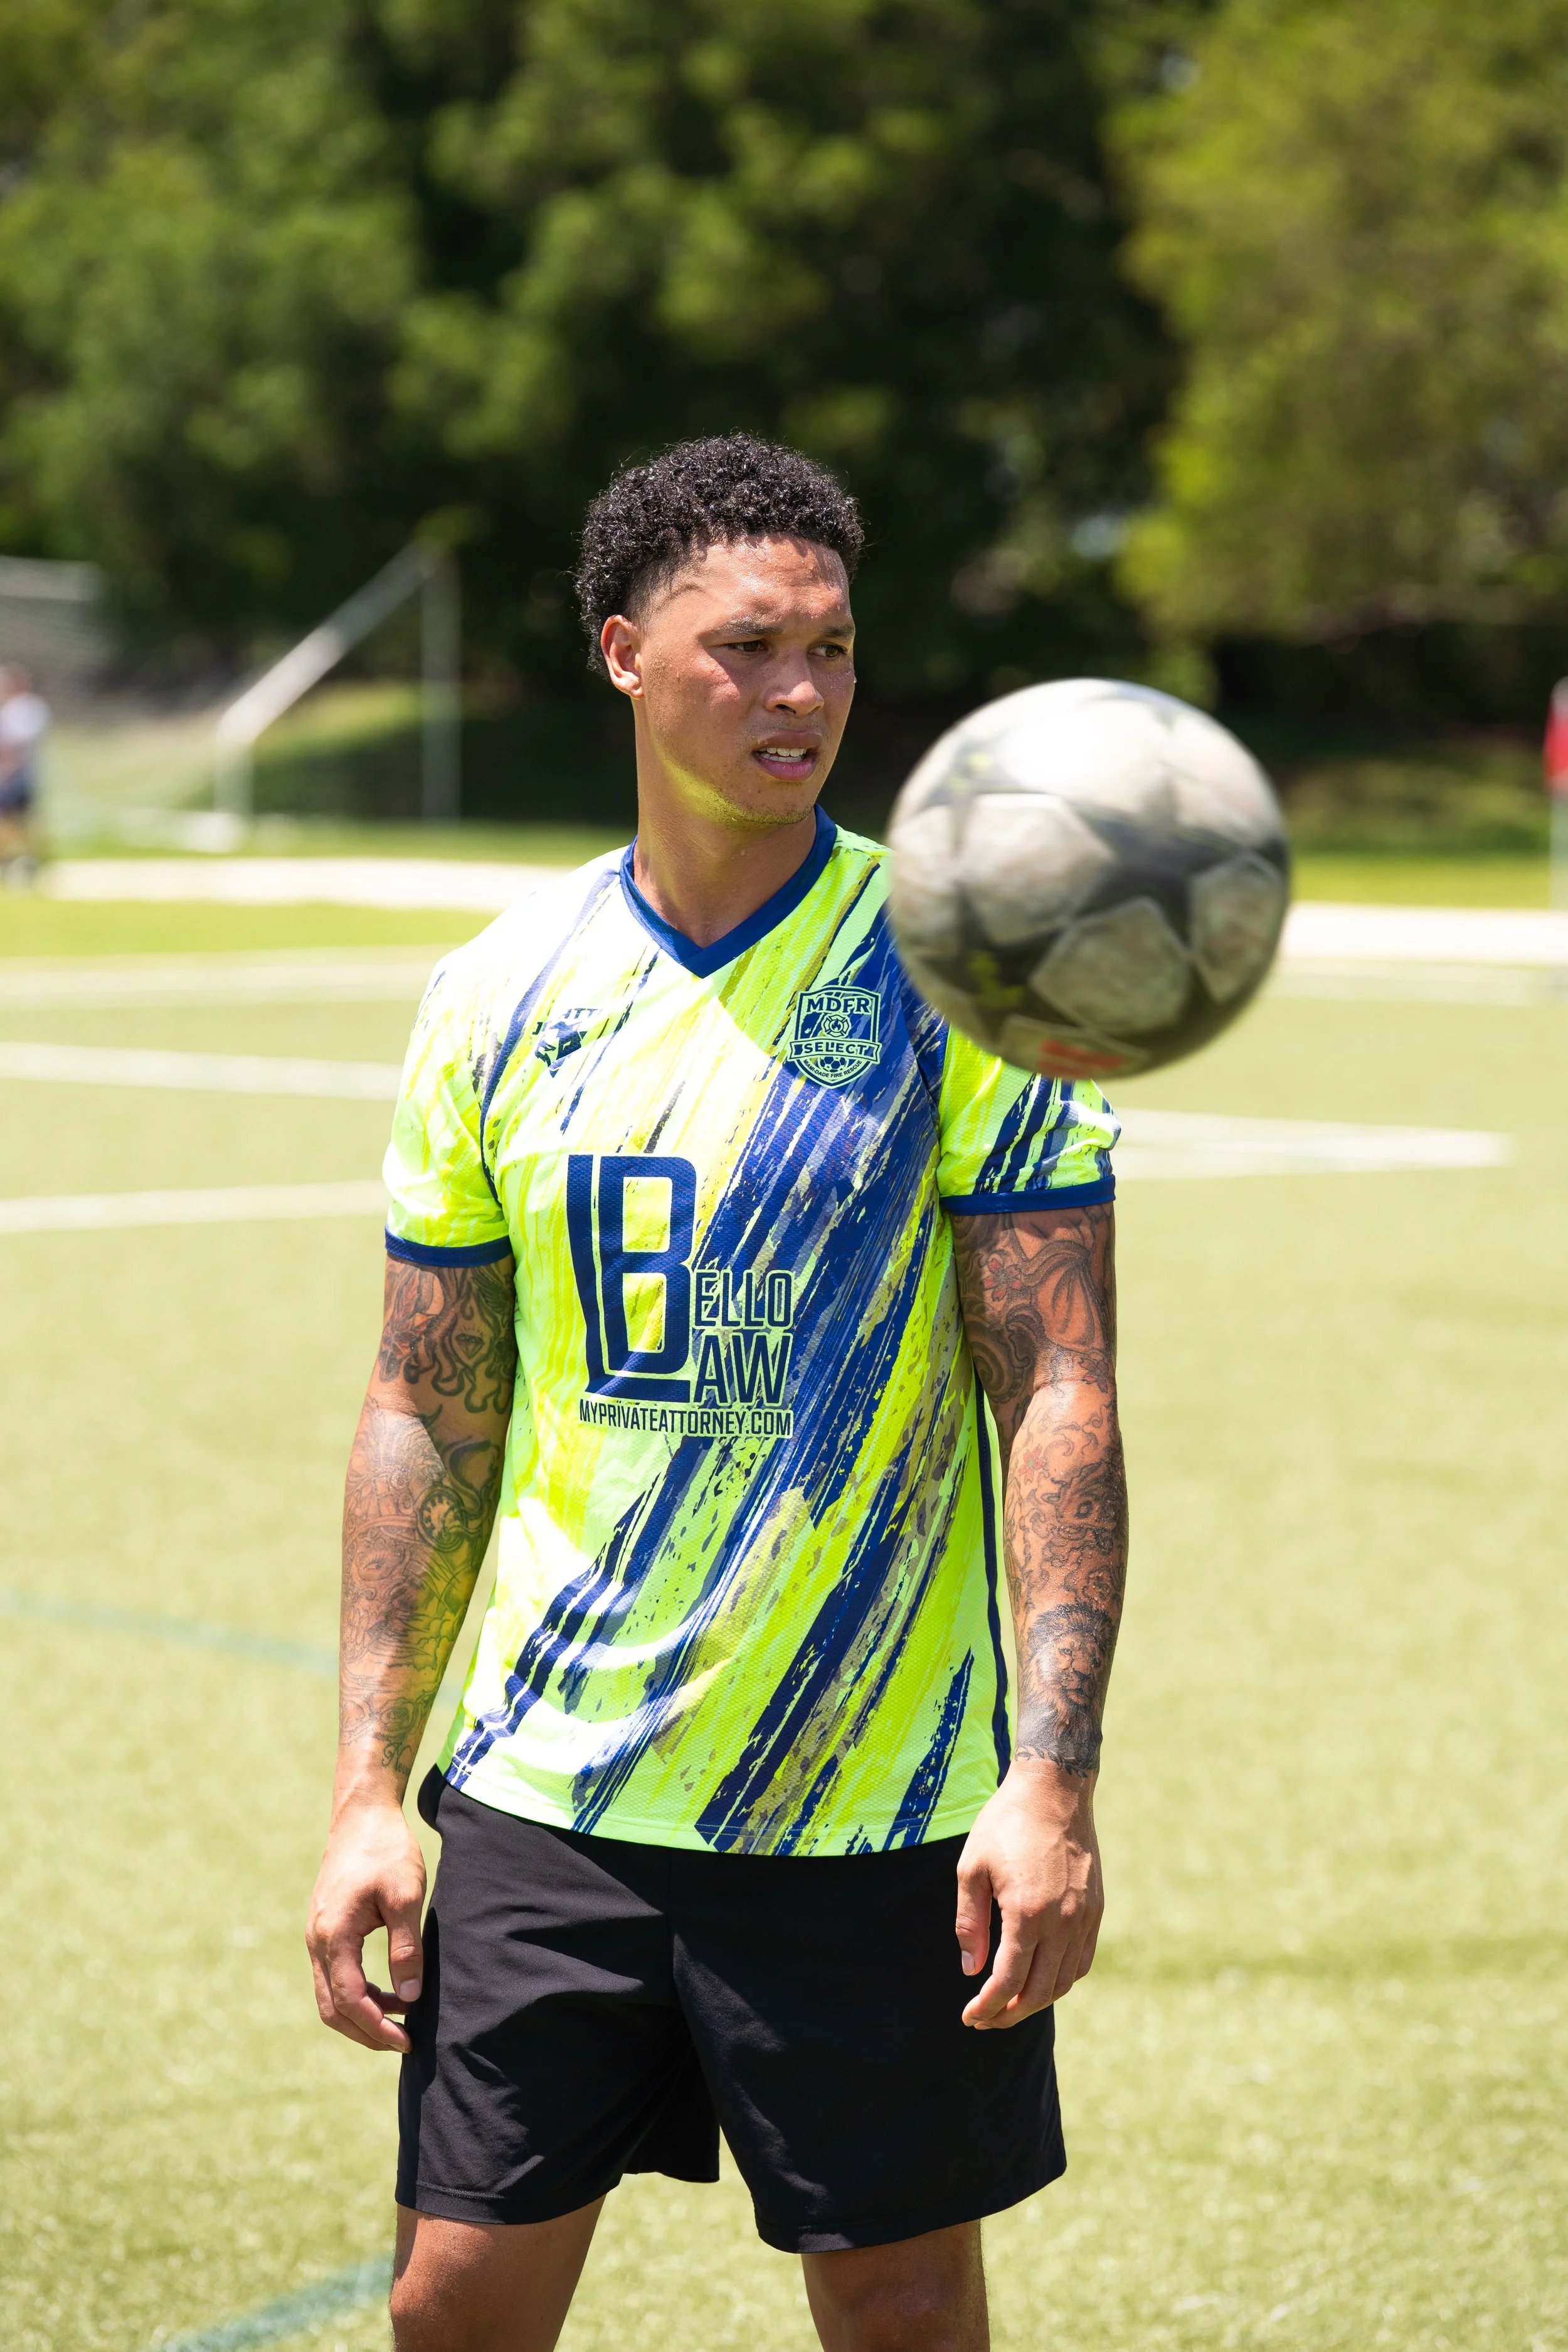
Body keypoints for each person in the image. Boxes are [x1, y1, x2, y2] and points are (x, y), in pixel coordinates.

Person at [307, 435, 1128, 2352]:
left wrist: (1050, 1778)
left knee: (901, 2305)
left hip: (872, 1804)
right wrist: (364, 1784)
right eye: (746, 646)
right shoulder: (496, 991)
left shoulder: (958, 974)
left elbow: (1057, 1384)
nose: (800, 694)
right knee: (450, 2298)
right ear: (619, 651)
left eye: (830, 649)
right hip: (548, 1781)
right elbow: (425, 1402)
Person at [0, 663, 49, 882]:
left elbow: (15, 744)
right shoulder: (9, 708)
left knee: (19, 818)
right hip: (9, 770)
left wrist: (8, 768)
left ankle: (30, 860)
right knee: (10, 819)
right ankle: (11, 859)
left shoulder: (26, 707)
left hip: (17, 772)